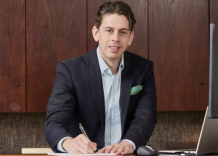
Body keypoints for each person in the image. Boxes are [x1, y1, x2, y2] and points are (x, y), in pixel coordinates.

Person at [44, 1, 157, 154]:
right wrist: (68, 142)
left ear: (130, 37)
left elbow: (146, 117)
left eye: (122, 32)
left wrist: (129, 143)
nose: (115, 38)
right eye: (109, 30)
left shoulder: (143, 69)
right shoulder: (70, 71)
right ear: (96, 33)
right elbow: (54, 122)